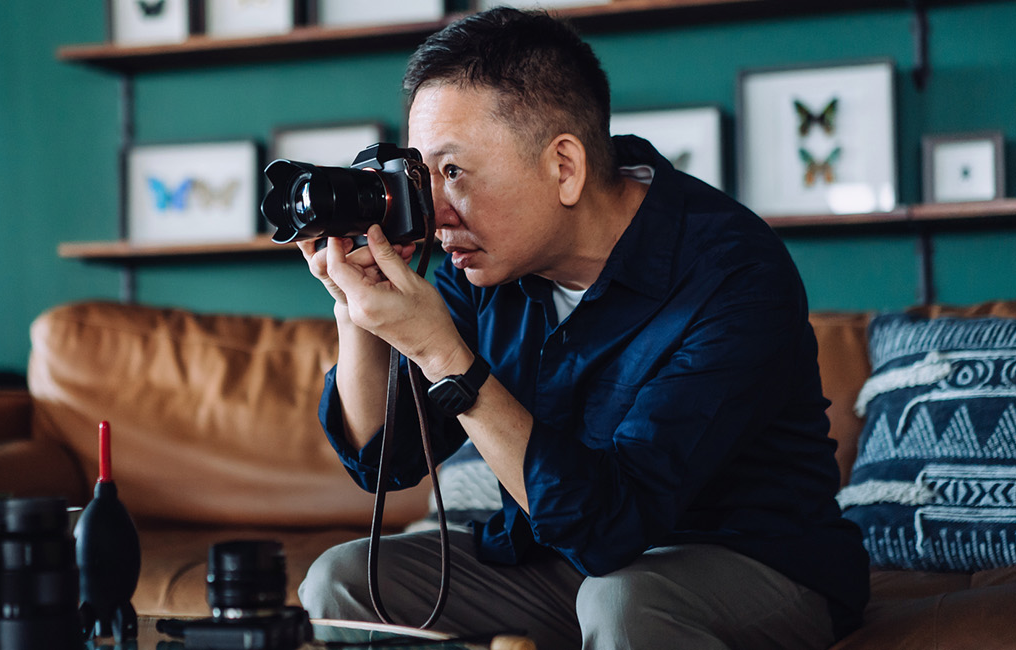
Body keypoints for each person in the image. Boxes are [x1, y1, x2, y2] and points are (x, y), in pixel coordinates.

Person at [295, 8, 869, 650]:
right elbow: (384, 461)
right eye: (421, 177)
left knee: (622, 599)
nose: (436, 211)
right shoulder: (482, 258)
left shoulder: (731, 273)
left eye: (453, 172)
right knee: (342, 581)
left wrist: (444, 355)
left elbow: (612, 526)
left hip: (751, 563)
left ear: (563, 167)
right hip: (567, 558)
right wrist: (356, 310)